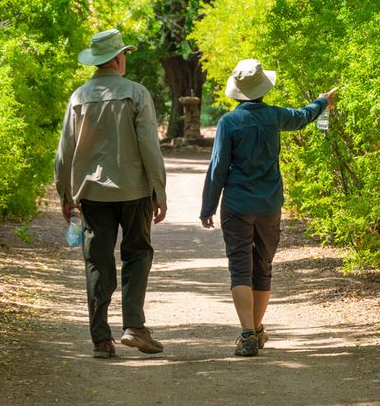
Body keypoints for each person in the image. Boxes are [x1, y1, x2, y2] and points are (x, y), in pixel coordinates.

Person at [200, 58, 337, 357]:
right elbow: (304, 116)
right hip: (269, 204)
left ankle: (248, 333)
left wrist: (208, 207)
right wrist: (322, 101)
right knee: (262, 267)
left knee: (240, 268)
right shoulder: (275, 116)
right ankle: (255, 331)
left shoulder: (229, 122)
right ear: (263, 88)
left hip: (237, 205)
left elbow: (218, 167)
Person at [55, 29, 168, 358]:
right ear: (118, 59)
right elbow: (149, 146)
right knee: (137, 253)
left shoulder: (78, 97)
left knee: (97, 262)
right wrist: (159, 190)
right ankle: (134, 325)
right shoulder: (136, 93)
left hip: (92, 195)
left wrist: (65, 195)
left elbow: (65, 152)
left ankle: (101, 340)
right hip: (134, 193)